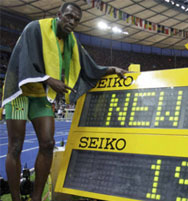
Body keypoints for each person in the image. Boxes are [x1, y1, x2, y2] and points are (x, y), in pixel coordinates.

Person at [1, 2, 127, 201]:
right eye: (69, 16)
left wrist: (111, 69)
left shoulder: (70, 41)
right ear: (59, 14)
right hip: (19, 92)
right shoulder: (35, 28)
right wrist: (48, 79)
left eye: (76, 20)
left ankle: (35, 198)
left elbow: (87, 64)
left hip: (40, 96)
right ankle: (16, 198)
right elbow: (23, 60)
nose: (72, 22)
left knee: (48, 142)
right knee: (15, 146)